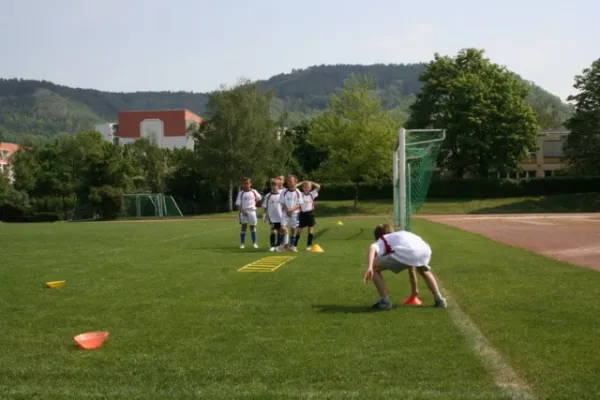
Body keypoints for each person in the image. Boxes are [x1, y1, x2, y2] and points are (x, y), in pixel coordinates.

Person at [363, 224, 448, 310]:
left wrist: (370, 267)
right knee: (424, 271)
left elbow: (372, 247)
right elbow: (410, 265)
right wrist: (414, 291)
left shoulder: (383, 239)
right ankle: (439, 300)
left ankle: (385, 301)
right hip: (424, 250)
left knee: (374, 268)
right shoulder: (402, 235)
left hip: (408, 252)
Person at [234, 178, 262, 249]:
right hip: (243, 212)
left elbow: (259, 198)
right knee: (243, 227)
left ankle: (254, 243)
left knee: (252, 227)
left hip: (252, 211)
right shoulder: (241, 193)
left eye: (247, 183)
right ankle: (242, 244)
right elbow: (238, 204)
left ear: (250, 184)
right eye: (244, 183)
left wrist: (254, 203)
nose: (246, 185)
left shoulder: (254, 191)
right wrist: (243, 211)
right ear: (242, 184)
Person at [278, 175, 304, 252]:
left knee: (293, 229)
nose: (289, 182)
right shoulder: (284, 191)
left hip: (295, 213)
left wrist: (292, 210)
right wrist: (287, 210)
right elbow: (282, 202)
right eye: (288, 181)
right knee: (282, 228)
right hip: (285, 213)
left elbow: (299, 204)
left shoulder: (298, 192)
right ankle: (281, 246)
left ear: (295, 182)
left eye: (291, 181)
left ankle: (292, 246)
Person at [295, 180, 321, 250]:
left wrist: (312, 182)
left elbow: (318, 186)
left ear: (310, 188)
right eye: (305, 187)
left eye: (308, 187)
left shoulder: (312, 194)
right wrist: (302, 182)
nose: (307, 188)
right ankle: (295, 245)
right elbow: (294, 187)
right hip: (302, 214)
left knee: (310, 230)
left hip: (310, 214)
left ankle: (309, 245)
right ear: (303, 188)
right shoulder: (300, 194)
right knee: (299, 230)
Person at [261, 179, 284, 252]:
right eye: (273, 185)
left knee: (281, 231)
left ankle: (278, 246)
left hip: (281, 217)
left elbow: (284, 205)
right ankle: (272, 246)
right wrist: (264, 215)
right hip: (272, 217)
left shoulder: (281, 195)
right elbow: (265, 206)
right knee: (273, 231)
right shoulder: (268, 196)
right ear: (271, 186)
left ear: (278, 186)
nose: (274, 187)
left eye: (276, 185)